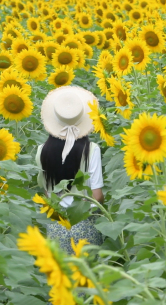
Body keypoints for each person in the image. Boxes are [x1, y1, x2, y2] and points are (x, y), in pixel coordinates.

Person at [36, 85, 104, 254]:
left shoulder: (41, 150)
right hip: (85, 224)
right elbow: (97, 195)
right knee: (88, 276)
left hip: (56, 226)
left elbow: (47, 194)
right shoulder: (92, 149)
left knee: (61, 276)